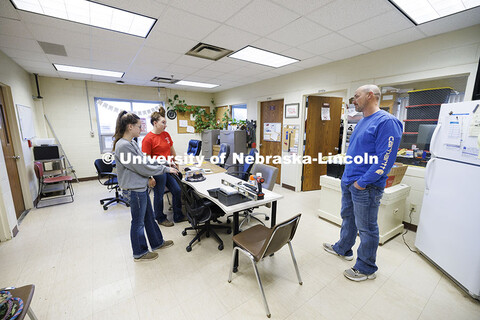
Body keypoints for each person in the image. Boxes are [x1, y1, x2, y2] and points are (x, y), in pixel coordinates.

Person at [323, 84, 403, 281]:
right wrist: (348, 178)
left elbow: (385, 160)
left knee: (367, 227)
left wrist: (362, 182)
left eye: (356, 96)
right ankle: (343, 248)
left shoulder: (387, 122)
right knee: (348, 218)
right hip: (350, 180)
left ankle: (366, 268)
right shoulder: (362, 120)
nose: (353, 100)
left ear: (370, 96)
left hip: (366, 186)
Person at [113, 111, 178, 262]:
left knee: (149, 217)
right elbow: (142, 167)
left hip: (140, 188)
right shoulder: (123, 146)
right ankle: (139, 252)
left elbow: (146, 160)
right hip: (134, 190)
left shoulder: (132, 143)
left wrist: (165, 163)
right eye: (138, 126)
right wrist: (165, 169)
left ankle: (157, 242)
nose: (141, 128)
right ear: (130, 127)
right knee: (138, 222)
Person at [142, 109, 187, 227]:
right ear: (155, 123)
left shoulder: (166, 135)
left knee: (177, 190)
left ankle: (178, 216)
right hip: (157, 169)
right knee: (159, 194)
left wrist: (176, 163)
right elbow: (145, 160)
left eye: (165, 123)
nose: (165, 125)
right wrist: (150, 177)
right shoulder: (148, 139)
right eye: (163, 123)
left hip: (169, 168)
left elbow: (172, 150)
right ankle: (160, 218)